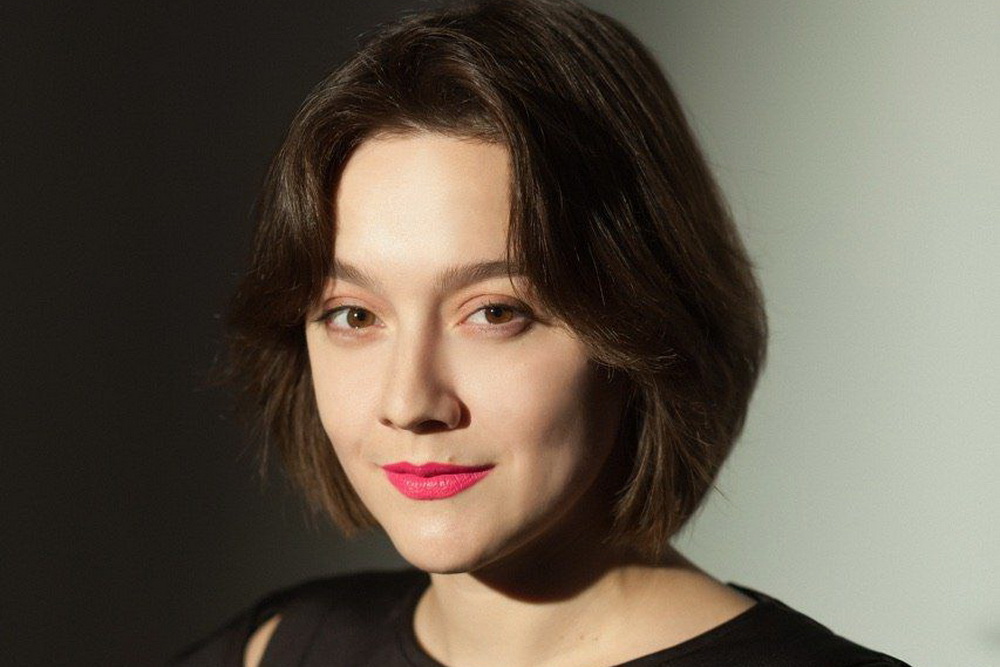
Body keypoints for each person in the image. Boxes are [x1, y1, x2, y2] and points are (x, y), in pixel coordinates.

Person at [175, 1, 910, 665]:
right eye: (355, 315)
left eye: (495, 312)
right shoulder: (274, 650)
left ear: (642, 321)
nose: (409, 402)